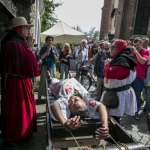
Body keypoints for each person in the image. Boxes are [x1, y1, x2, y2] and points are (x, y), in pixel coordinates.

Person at [0, 17, 40, 145]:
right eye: (27, 28)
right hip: (17, 84)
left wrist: (29, 48)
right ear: (20, 28)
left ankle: (21, 133)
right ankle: (15, 136)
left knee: (20, 109)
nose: (29, 31)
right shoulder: (14, 43)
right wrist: (29, 49)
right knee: (18, 110)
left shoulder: (16, 42)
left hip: (19, 82)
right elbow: (28, 65)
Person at [46, 71, 109, 139]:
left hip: (59, 84)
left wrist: (64, 124)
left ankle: (49, 76)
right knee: (73, 80)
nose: (72, 100)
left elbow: (54, 105)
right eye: (76, 100)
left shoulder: (65, 99)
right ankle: (70, 77)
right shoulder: (87, 99)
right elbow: (101, 106)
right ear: (83, 101)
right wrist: (105, 125)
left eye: (70, 104)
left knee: (53, 81)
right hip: (73, 81)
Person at [100, 39, 137, 123]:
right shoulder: (118, 58)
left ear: (119, 48)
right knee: (111, 118)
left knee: (114, 119)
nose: (110, 49)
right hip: (113, 93)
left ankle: (115, 134)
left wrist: (106, 64)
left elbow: (109, 74)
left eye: (113, 47)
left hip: (118, 94)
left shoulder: (123, 60)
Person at [131, 38, 149, 120]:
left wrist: (136, 51)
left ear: (142, 44)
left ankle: (136, 112)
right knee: (130, 95)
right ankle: (129, 110)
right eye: (134, 45)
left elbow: (142, 61)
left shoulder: (146, 51)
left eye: (137, 45)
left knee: (138, 96)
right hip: (130, 77)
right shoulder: (132, 51)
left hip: (139, 78)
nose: (135, 47)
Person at [38, 35, 59, 102]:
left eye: (51, 40)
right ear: (46, 41)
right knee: (43, 81)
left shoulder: (54, 49)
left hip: (52, 67)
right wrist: (46, 52)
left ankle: (51, 96)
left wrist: (54, 54)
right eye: (49, 40)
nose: (50, 41)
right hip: (45, 66)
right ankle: (40, 96)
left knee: (52, 81)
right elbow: (41, 58)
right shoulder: (43, 48)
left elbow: (56, 59)